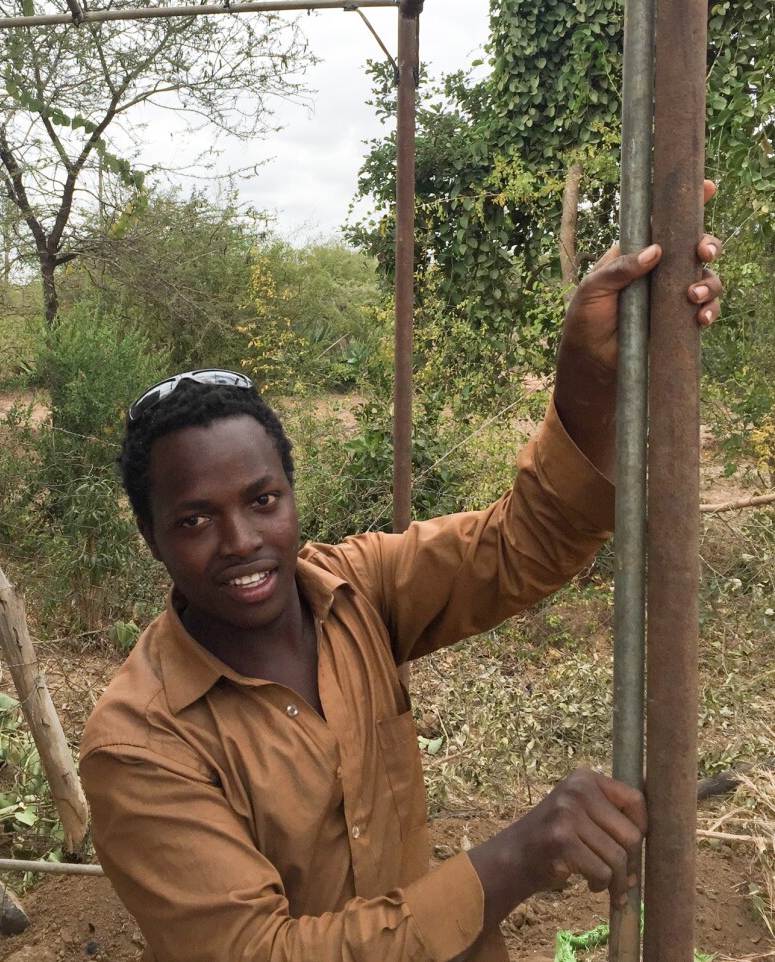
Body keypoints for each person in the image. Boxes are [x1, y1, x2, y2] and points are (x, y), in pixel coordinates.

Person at [79, 198, 723, 962]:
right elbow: (258, 953)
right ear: (151, 538)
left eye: (262, 501)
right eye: (194, 520)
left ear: (290, 493)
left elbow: (527, 541)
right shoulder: (139, 744)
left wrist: (586, 373)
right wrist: (513, 860)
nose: (241, 541)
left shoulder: (358, 591)